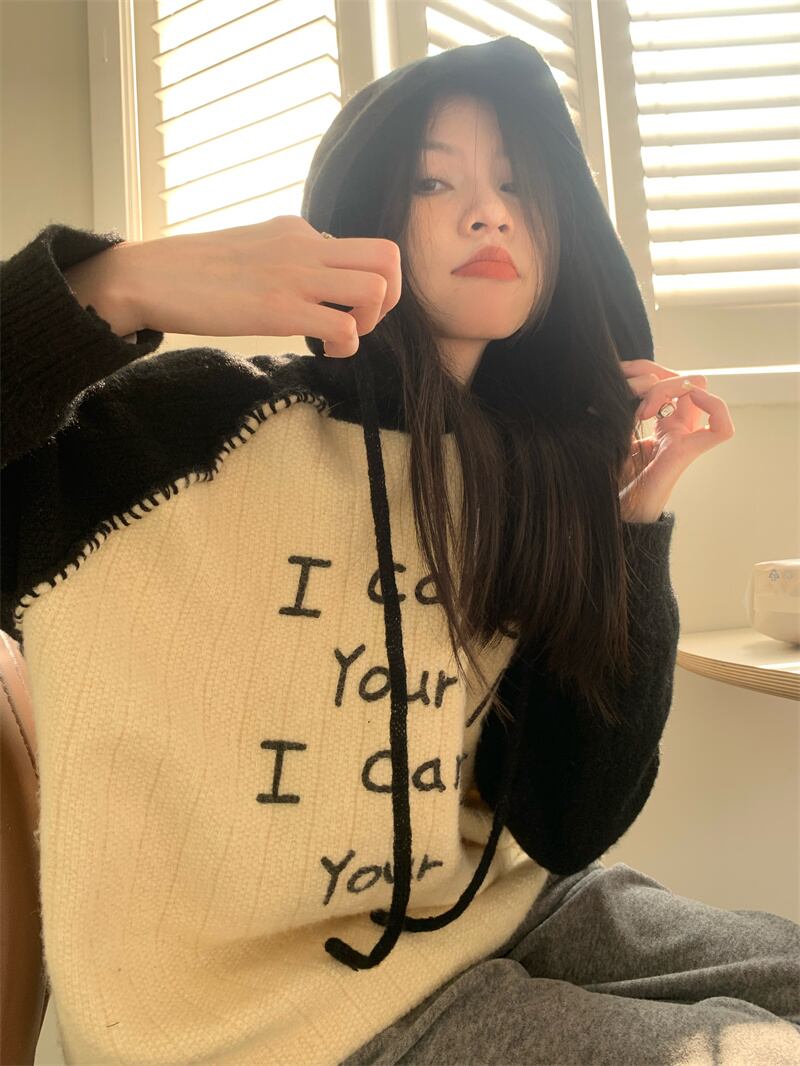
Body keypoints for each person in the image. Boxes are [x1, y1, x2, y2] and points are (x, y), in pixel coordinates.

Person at [1, 33, 797, 1066]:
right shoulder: (179, 435)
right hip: (264, 1025)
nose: (488, 210)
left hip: (510, 907)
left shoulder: (530, 471)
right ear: (366, 205)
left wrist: (628, 525)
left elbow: (565, 820)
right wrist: (113, 286)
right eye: (434, 180)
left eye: (517, 182)